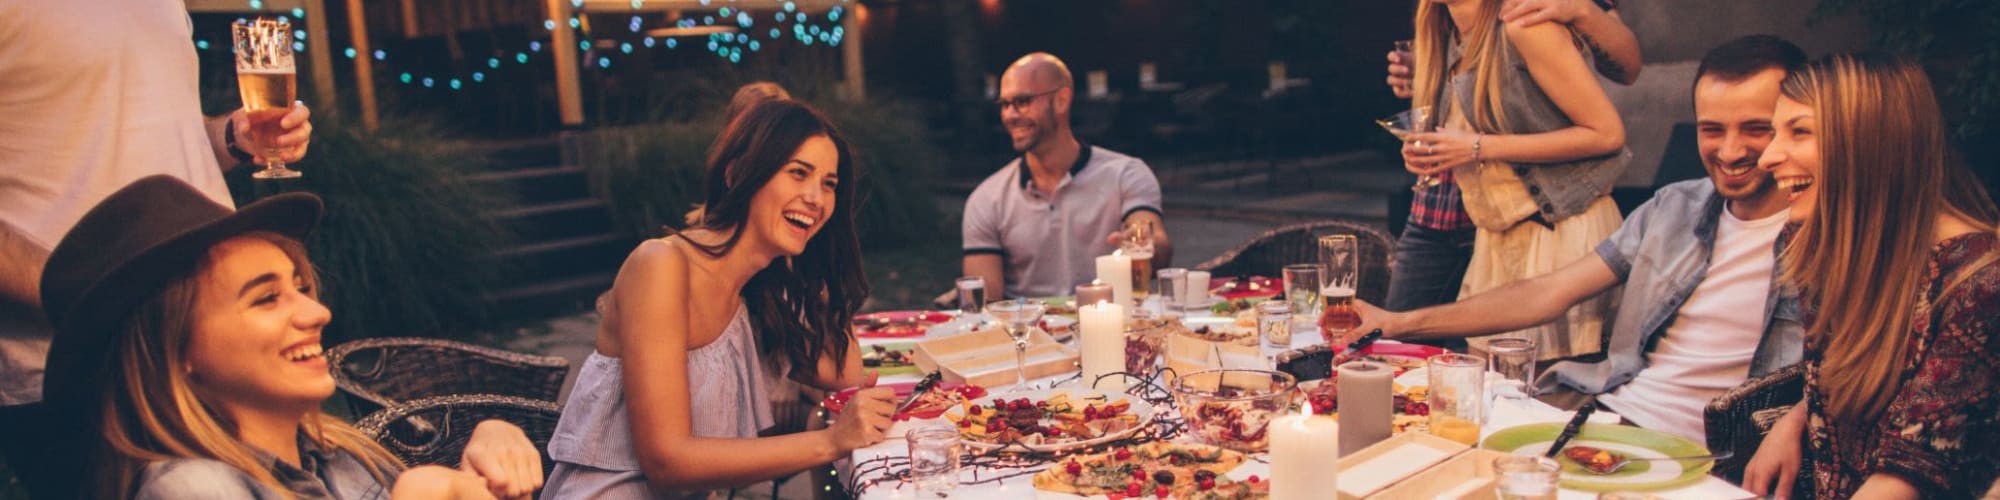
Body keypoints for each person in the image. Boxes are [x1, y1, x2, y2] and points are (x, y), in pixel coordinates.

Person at [1348, 36, 1808, 444]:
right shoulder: (1676, 208)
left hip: (1709, 454)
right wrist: (1397, 323)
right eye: (1712, 129)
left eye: (1756, 129)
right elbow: (1546, 293)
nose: (1729, 151)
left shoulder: (1839, 234)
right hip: (1605, 420)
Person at [35, 175, 540, 499]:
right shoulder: (192, 488)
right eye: (266, 297)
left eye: (301, 287)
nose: (318, 312)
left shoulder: (346, 459)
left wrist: (491, 436)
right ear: (175, 349)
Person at [0, 2, 313, 497]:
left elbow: (152, 132)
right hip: (86, 365)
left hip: (210, 342)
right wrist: (97, 297)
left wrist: (231, 137)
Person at [541, 100, 895, 498]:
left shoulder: (756, 293)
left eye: (829, 184)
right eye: (798, 173)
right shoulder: (661, 265)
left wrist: (822, 267)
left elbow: (846, 376)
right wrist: (832, 443)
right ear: (738, 173)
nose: (816, 198)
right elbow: (666, 461)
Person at [1741, 52, 2000, 499]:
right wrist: (1798, 416)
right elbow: (1853, 375)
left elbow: (1906, 477)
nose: (1767, 157)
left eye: (1799, 131)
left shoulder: (1979, 282)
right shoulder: (1816, 240)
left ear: (1870, 142)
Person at [1379, 0, 1641, 336]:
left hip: (1551, 225)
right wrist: (1430, 88)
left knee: (1543, 381)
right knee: (1456, 372)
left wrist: (1582, 10)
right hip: (1481, 228)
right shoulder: (1442, 32)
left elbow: (1610, 123)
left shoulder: (1523, 23)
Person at [962, 52, 1171, 298]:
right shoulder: (987, 198)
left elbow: (1155, 240)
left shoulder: (1126, 173)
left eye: (1022, 101)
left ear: (1061, 100)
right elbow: (986, 300)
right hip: (1029, 332)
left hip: (1114, 325)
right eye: (1005, 105)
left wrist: (1145, 246)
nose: (1010, 115)